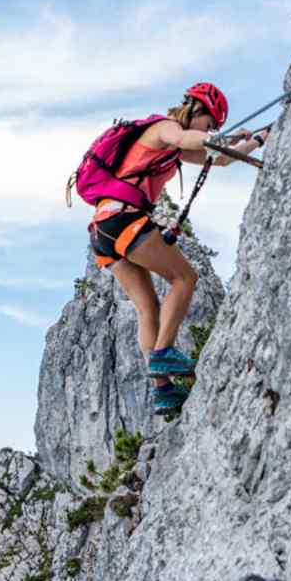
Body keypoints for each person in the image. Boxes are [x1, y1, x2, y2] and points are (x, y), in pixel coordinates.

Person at [86, 82, 267, 416]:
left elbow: (219, 160)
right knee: (185, 278)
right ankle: (164, 352)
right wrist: (221, 139)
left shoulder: (174, 144)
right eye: (210, 123)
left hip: (103, 230)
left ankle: (164, 391)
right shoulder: (163, 128)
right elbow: (190, 139)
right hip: (125, 221)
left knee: (148, 309)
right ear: (196, 110)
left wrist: (254, 140)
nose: (211, 130)